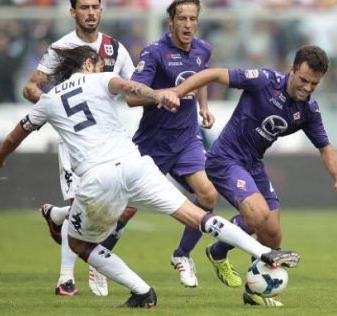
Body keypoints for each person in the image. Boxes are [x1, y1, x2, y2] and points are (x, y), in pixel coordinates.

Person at [0, 45, 300, 308]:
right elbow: (128, 87)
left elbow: (15, 135)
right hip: (136, 166)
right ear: (89, 64)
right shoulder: (100, 79)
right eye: (99, 62)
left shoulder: (48, 101)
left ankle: (142, 291)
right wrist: (158, 94)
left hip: (97, 179)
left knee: (78, 243)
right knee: (198, 216)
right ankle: (263, 253)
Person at [173, 45, 337, 307]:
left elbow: (325, 147)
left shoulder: (308, 110)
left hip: (253, 165)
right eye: (303, 80)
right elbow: (211, 74)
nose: (307, 87)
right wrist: (177, 92)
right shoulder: (263, 80)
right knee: (256, 215)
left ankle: (252, 290)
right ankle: (218, 249)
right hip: (225, 158)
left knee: (272, 234)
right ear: (292, 70)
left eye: (314, 83)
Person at [22, 0, 135, 296]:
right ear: (72, 12)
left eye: (95, 6)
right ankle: (66, 278)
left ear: (102, 10)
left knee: (118, 206)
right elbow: (31, 87)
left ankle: (58, 219)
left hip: (110, 142)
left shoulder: (114, 49)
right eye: (84, 7)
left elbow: (133, 89)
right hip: (76, 143)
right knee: (79, 205)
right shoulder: (61, 49)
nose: (91, 12)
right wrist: (54, 111)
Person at [126, 0, 219, 288]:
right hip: (153, 143)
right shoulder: (154, 53)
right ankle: (98, 255)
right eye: (182, 18)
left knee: (209, 195)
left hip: (186, 140)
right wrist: (160, 95)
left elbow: (199, 78)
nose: (188, 24)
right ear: (171, 21)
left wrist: (203, 106)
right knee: (126, 209)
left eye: (193, 18)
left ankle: (182, 254)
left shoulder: (202, 49)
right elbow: (131, 97)